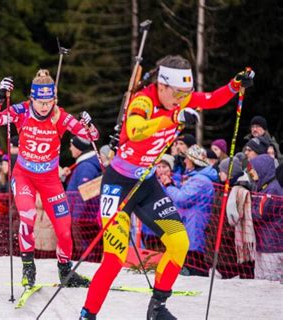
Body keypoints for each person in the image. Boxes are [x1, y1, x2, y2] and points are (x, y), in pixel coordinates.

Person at [80, 55, 254, 320]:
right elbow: (135, 129)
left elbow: (211, 99)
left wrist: (234, 85)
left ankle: (157, 307)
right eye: (177, 93)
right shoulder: (143, 101)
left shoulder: (179, 99)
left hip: (147, 185)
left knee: (178, 242)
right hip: (119, 185)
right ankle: (88, 314)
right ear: (161, 85)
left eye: (186, 93)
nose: (182, 98)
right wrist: (172, 117)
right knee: (114, 258)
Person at [0, 69, 99, 288]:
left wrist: (88, 123)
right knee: (27, 218)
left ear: (55, 99)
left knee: (64, 230)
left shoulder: (60, 116)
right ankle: (29, 268)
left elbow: (91, 137)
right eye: (40, 102)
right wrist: (0, 97)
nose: (45, 106)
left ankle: (65, 271)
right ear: (32, 99)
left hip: (50, 181)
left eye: (49, 101)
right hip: (25, 176)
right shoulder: (22, 111)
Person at [162, 145, 217, 276]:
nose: (185, 161)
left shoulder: (200, 180)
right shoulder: (195, 178)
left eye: (187, 158)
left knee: (194, 268)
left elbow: (181, 198)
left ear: (193, 160)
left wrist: (169, 185)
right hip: (191, 225)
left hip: (195, 229)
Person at [248, 154, 283, 281]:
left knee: (270, 282)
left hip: (272, 245)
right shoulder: (263, 187)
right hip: (263, 242)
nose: (251, 173)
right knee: (260, 280)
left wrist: (246, 210)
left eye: (254, 170)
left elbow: (260, 214)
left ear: (263, 169)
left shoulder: (272, 189)